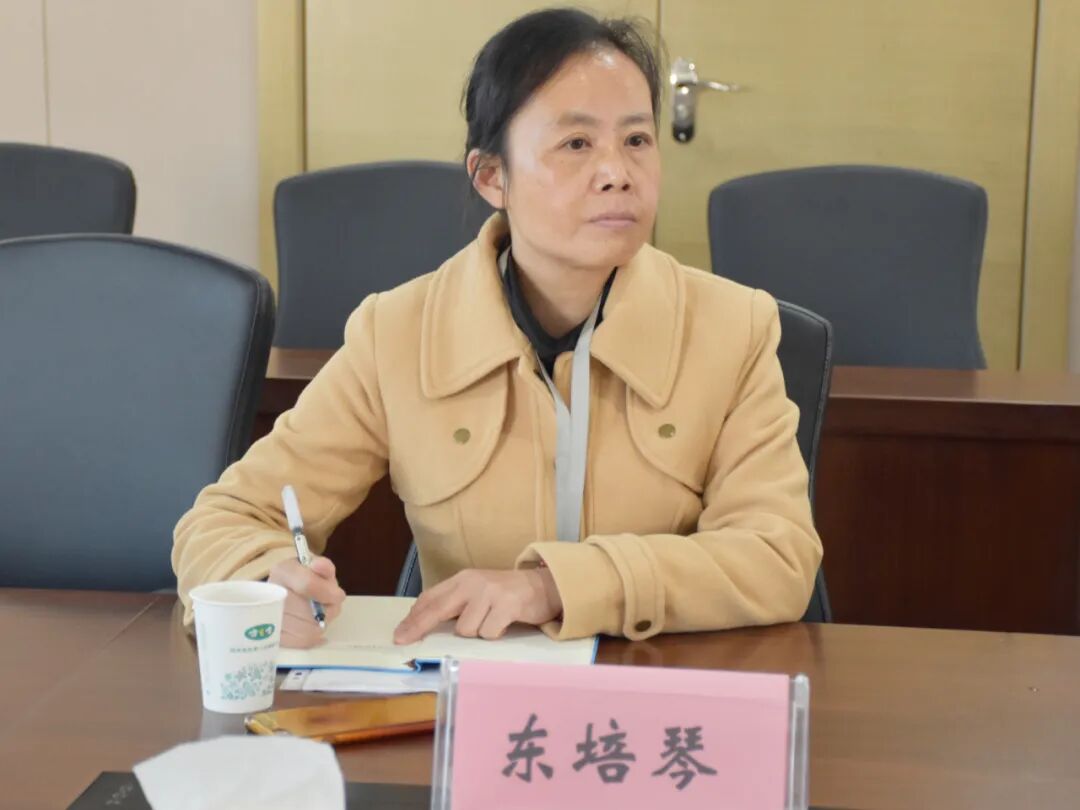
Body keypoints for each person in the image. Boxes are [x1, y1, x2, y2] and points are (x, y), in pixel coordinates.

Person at [173, 8, 822, 649]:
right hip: (469, 691)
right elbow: (226, 519)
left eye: (636, 140)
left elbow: (777, 556)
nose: (618, 173)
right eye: (576, 144)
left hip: (661, 681)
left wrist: (554, 587)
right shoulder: (397, 333)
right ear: (491, 177)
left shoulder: (733, 327)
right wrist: (264, 582)